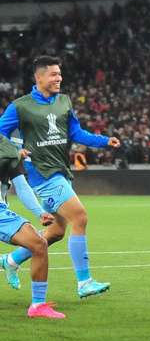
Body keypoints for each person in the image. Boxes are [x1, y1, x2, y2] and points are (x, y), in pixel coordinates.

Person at [0, 56, 119, 298]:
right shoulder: (20, 106)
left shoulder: (64, 102)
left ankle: (11, 260)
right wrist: (15, 152)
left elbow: (76, 133)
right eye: (54, 74)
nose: (59, 78)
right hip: (43, 175)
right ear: (39, 77)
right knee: (80, 217)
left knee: (55, 233)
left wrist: (104, 141)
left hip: (61, 172)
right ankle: (84, 282)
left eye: (60, 74)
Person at [0, 135, 60, 318]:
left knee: (38, 243)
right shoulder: (11, 151)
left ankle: (38, 305)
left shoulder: (9, 150)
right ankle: (38, 305)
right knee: (39, 244)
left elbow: (22, 187)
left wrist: (40, 212)